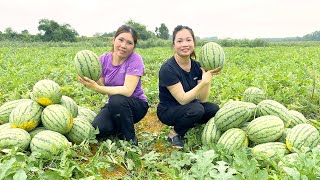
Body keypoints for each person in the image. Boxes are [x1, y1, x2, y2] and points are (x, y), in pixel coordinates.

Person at [78, 25, 149, 146]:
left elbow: (127, 91)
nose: (123, 46)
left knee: (117, 99)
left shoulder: (135, 59)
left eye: (129, 43)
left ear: (133, 46)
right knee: (99, 128)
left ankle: (130, 139)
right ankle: (120, 127)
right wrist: (90, 81)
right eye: (120, 40)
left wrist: (97, 88)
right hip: (114, 105)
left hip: (136, 105)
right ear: (114, 40)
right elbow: (102, 84)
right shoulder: (103, 60)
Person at [157, 25, 221, 148]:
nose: (184, 44)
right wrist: (203, 83)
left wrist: (206, 79)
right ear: (174, 45)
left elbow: (203, 99)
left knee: (213, 109)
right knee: (197, 109)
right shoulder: (168, 69)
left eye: (188, 40)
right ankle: (174, 133)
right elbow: (182, 99)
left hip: (190, 106)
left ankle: (188, 122)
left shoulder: (197, 66)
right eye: (179, 41)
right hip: (168, 110)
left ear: (193, 43)